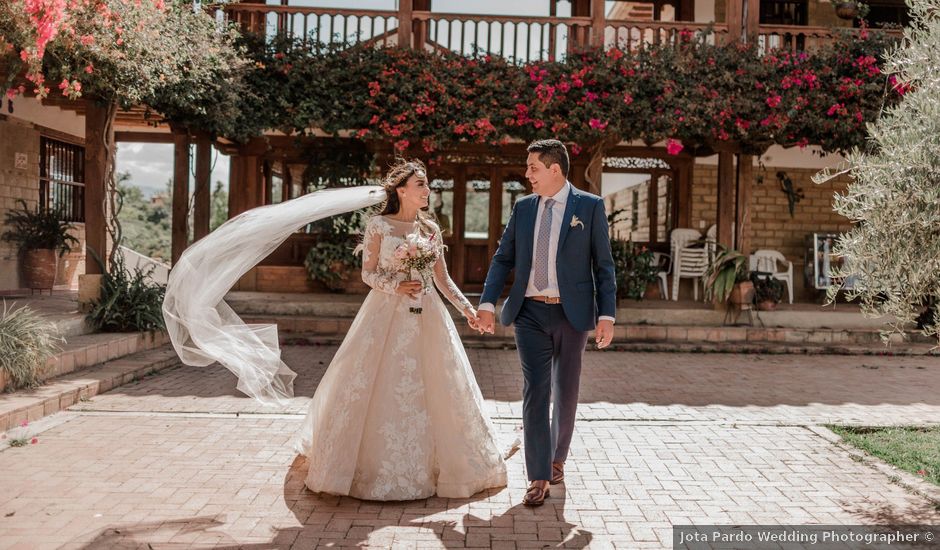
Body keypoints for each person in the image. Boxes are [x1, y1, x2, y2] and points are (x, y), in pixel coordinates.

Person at [295, 159, 508, 500]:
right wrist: (395, 286)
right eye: (421, 184)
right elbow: (368, 274)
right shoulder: (379, 225)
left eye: (427, 184)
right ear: (401, 189)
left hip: (428, 316)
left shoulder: (430, 231)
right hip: (385, 315)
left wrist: (468, 310)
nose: (427, 191)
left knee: (437, 383)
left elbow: (442, 279)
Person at [476, 139, 617, 506]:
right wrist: (488, 302)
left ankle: (557, 459)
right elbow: (502, 258)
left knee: (565, 391)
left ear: (555, 169)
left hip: (573, 315)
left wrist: (606, 315)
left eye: (533, 168)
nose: (527, 175)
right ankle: (538, 475)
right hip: (529, 313)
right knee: (535, 391)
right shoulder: (523, 209)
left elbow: (604, 266)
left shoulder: (589, 206)